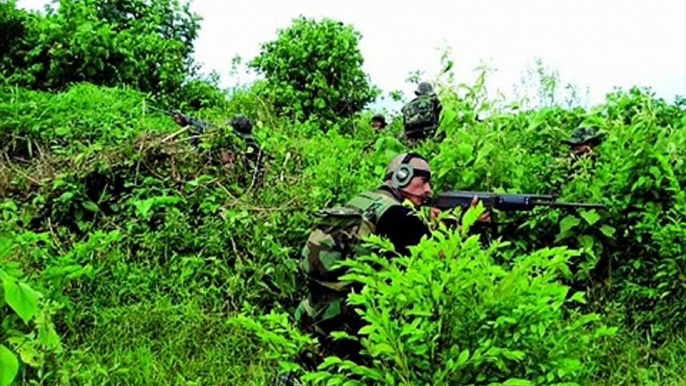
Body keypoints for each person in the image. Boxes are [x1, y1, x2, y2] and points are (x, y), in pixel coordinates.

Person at [294, 153, 489, 369]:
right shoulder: (397, 214)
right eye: (423, 181)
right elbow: (437, 256)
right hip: (351, 321)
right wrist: (469, 224)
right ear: (402, 176)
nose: (428, 190)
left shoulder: (364, 200)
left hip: (315, 310)